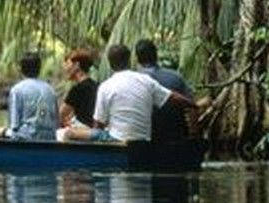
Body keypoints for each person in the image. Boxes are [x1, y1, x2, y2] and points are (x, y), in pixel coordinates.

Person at [64, 43, 196, 142]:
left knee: (69, 133)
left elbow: (98, 126)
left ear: (110, 65)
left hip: (117, 140)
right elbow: (172, 96)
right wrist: (194, 105)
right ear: (129, 60)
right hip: (142, 142)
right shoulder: (146, 80)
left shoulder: (105, 86)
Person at [135, 40, 194, 141]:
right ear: (156, 55)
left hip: (143, 138)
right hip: (174, 136)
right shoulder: (175, 77)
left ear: (137, 59)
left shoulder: (132, 81)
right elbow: (190, 105)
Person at [6, 51, 58, 141]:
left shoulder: (17, 90)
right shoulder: (50, 90)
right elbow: (56, 123)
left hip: (26, 139)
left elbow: (14, 126)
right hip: (50, 139)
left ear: (21, 69)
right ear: (39, 69)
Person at [59, 48, 98, 129]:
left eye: (67, 63)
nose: (65, 68)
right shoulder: (97, 86)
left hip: (82, 134)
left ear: (77, 65)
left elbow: (60, 115)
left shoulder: (77, 89)